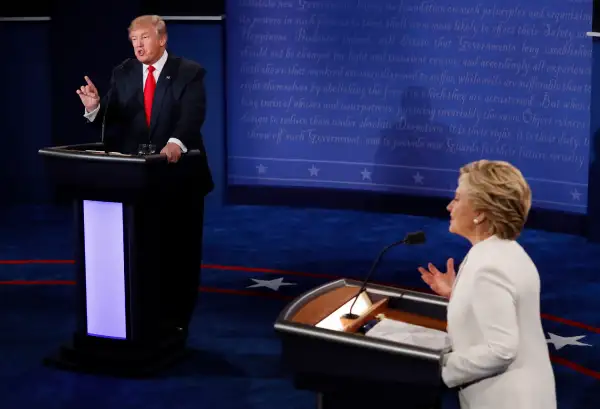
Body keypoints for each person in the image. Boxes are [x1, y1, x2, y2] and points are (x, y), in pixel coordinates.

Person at [75, 15, 214, 340]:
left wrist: (175, 143)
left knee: (180, 254)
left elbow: (192, 116)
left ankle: (178, 321)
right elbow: (112, 119)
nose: (138, 44)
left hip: (180, 180)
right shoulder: (123, 73)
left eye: (144, 37)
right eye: (133, 38)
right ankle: (146, 317)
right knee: (145, 254)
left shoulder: (188, 72)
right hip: (138, 185)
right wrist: (95, 108)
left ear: (162, 39)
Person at [418, 160, 556, 409]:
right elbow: (499, 307)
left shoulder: (488, 268)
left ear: (480, 213)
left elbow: (501, 350)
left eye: (458, 199)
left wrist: (436, 369)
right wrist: (457, 293)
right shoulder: (506, 252)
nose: (450, 206)